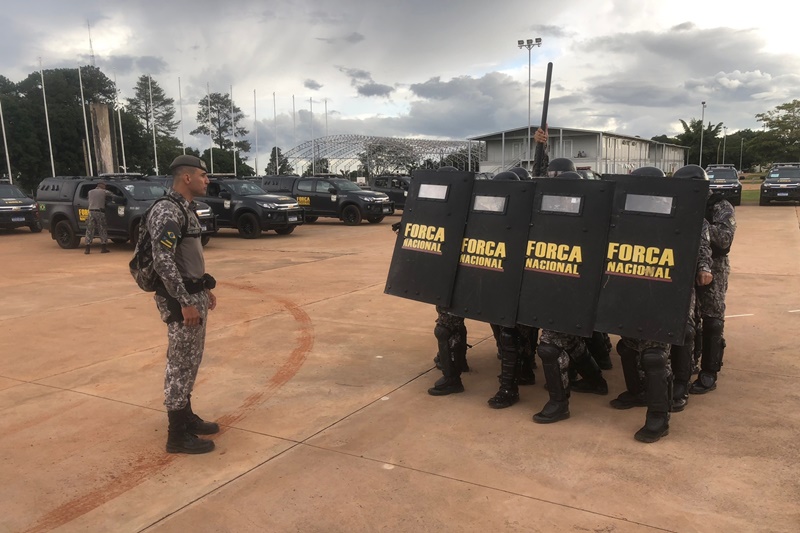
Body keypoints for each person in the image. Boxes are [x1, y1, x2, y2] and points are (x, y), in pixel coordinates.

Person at [613, 165, 713, 442]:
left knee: (656, 355)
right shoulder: (623, 214)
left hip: (669, 290)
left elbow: (702, 248)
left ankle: (659, 416)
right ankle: (637, 391)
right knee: (630, 345)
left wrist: (704, 268)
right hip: (632, 289)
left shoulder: (685, 213)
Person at [149, 154, 219, 454]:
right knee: (179, 364)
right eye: (204, 175)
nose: (207, 180)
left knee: (191, 360)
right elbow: (162, 261)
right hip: (181, 301)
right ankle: (176, 435)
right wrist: (185, 301)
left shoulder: (185, 208)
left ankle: (186, 416)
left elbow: (186, 257)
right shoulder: (167, 210)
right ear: (187, 177)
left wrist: (203, 287)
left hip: (192, 294)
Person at [532, 157, 609, 424]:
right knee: (569, 339)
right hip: (552, 283)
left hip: (577, 287)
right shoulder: (545, 208)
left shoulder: (593, 209)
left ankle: (559, 404)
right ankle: (595, 380)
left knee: (550, 346)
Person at [687, 164, 736, 395]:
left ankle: (709, 372)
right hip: (686, 264)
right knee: (690, 317)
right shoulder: (681, 201)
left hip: (714, 265)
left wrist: (699, 225)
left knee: (712, 318)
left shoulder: (719, 205)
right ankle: (690, 362)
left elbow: (725, 239)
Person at [85, 182, 114, 254]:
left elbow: (89, 200)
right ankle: (103, 248)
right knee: (102, 229)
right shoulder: (104, 192)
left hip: (91, 212)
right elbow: (113, 196)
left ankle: (87, 249)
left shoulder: (90, 192)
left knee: (89, 230)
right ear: (102, 186)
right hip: (100, 212)